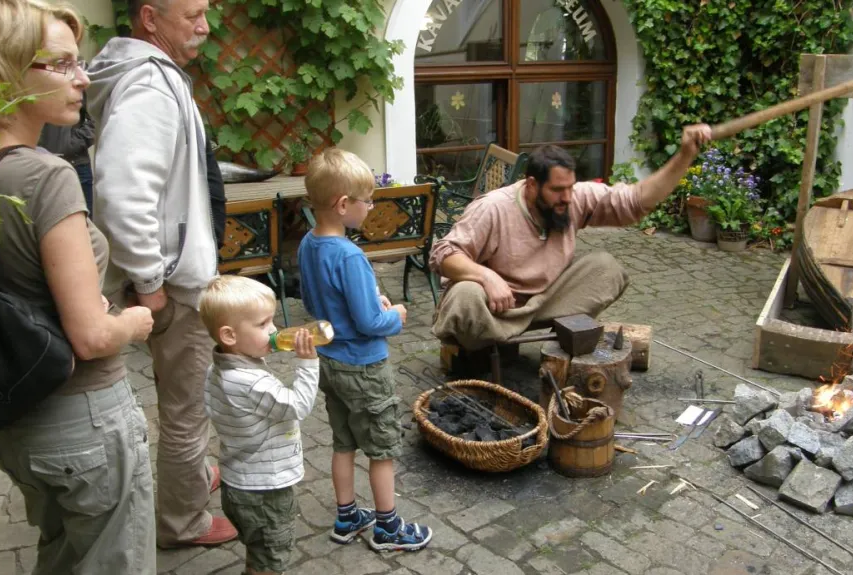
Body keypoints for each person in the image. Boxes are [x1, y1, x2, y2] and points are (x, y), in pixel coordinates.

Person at [0, 1, 156, 572]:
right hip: (84, 418)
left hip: (14, 420)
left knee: (60, 555)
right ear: (4, 73)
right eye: (60, 65)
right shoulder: (45, 176)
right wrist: (134, 320)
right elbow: (91, 335)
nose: (81, 78)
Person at [86, 0, 236, 547]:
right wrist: (150, 283)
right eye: (193, 14)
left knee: (183, 406)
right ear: (150, 18)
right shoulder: (150, 85)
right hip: (172, 287)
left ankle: (189, 483)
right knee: (185, 412)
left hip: (169, 278)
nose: (205, 25)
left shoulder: (145, 76)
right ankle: (182, 521)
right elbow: (123, 193)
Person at [430, 126, 713, 351]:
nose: (567, 197)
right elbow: (443, 254)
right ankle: (490, 342)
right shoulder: (493, 207)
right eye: (556, 190)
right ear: (531, 185)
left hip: (545, 303)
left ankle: (542, 335)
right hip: (495, 309)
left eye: (570, 187)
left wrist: (684, 155)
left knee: (605, 268)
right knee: (465, 296)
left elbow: (636, 202)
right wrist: (486, 278)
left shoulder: (572, 197)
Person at [298, 148, 433, 552]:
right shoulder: (350, 255)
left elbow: (314, 301)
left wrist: (373, 299)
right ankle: (388, 528)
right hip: (364, 366)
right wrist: (397, 316)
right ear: (343, 205)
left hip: (330, 362)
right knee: (382, 448)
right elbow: (370, 323)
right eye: (367, 200)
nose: (371, 207)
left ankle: (347, 516)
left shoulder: (308, 244)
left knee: (343, 442)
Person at [199, 275, 319, 575]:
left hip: (238, 482)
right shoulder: (251, 382)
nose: (275, 330)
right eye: (263, 324)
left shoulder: (219, 367)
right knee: (271, 559)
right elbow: (298, 406)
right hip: (265, 490)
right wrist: (307, 363)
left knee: (260, 552)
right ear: (229, 336)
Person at [38, 91, 95, 212]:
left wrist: (72, 143)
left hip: (76, 164)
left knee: (84, 222)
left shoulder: (74, 83)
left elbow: (94, 116)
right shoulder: (31, 84)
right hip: (38, 165)